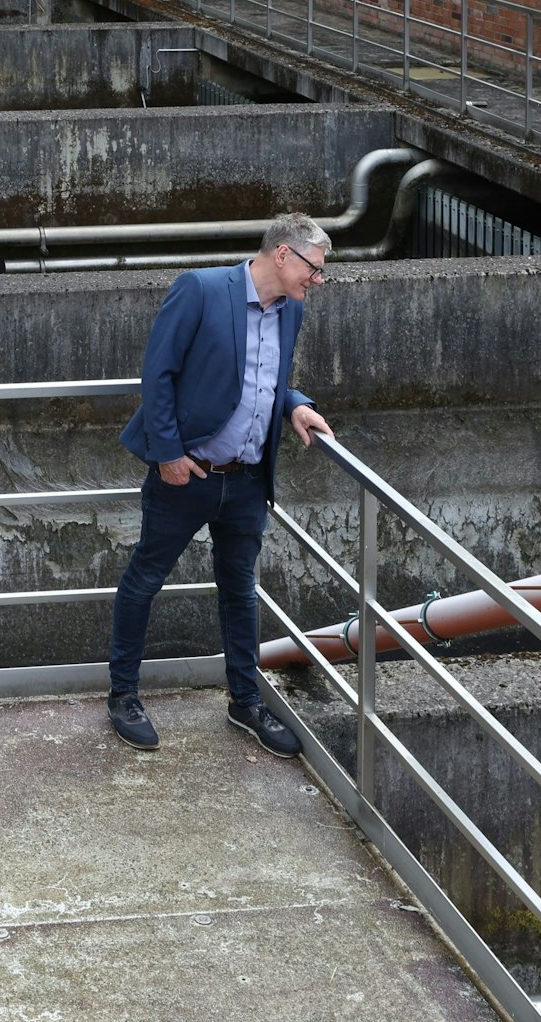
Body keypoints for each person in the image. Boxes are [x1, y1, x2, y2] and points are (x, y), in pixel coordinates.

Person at [106, 212, 334, 756]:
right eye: (314, 268)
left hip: (250, 480)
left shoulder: (290, 310)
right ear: (283, 254)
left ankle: (246, 701)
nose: (317, 280)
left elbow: (267, 378)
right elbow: (157, 375)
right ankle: (123, 696)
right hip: (188, 475)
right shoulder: (201, 289)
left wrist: (296, 405)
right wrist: (169, 456)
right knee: (144, 580)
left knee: (240, 591)